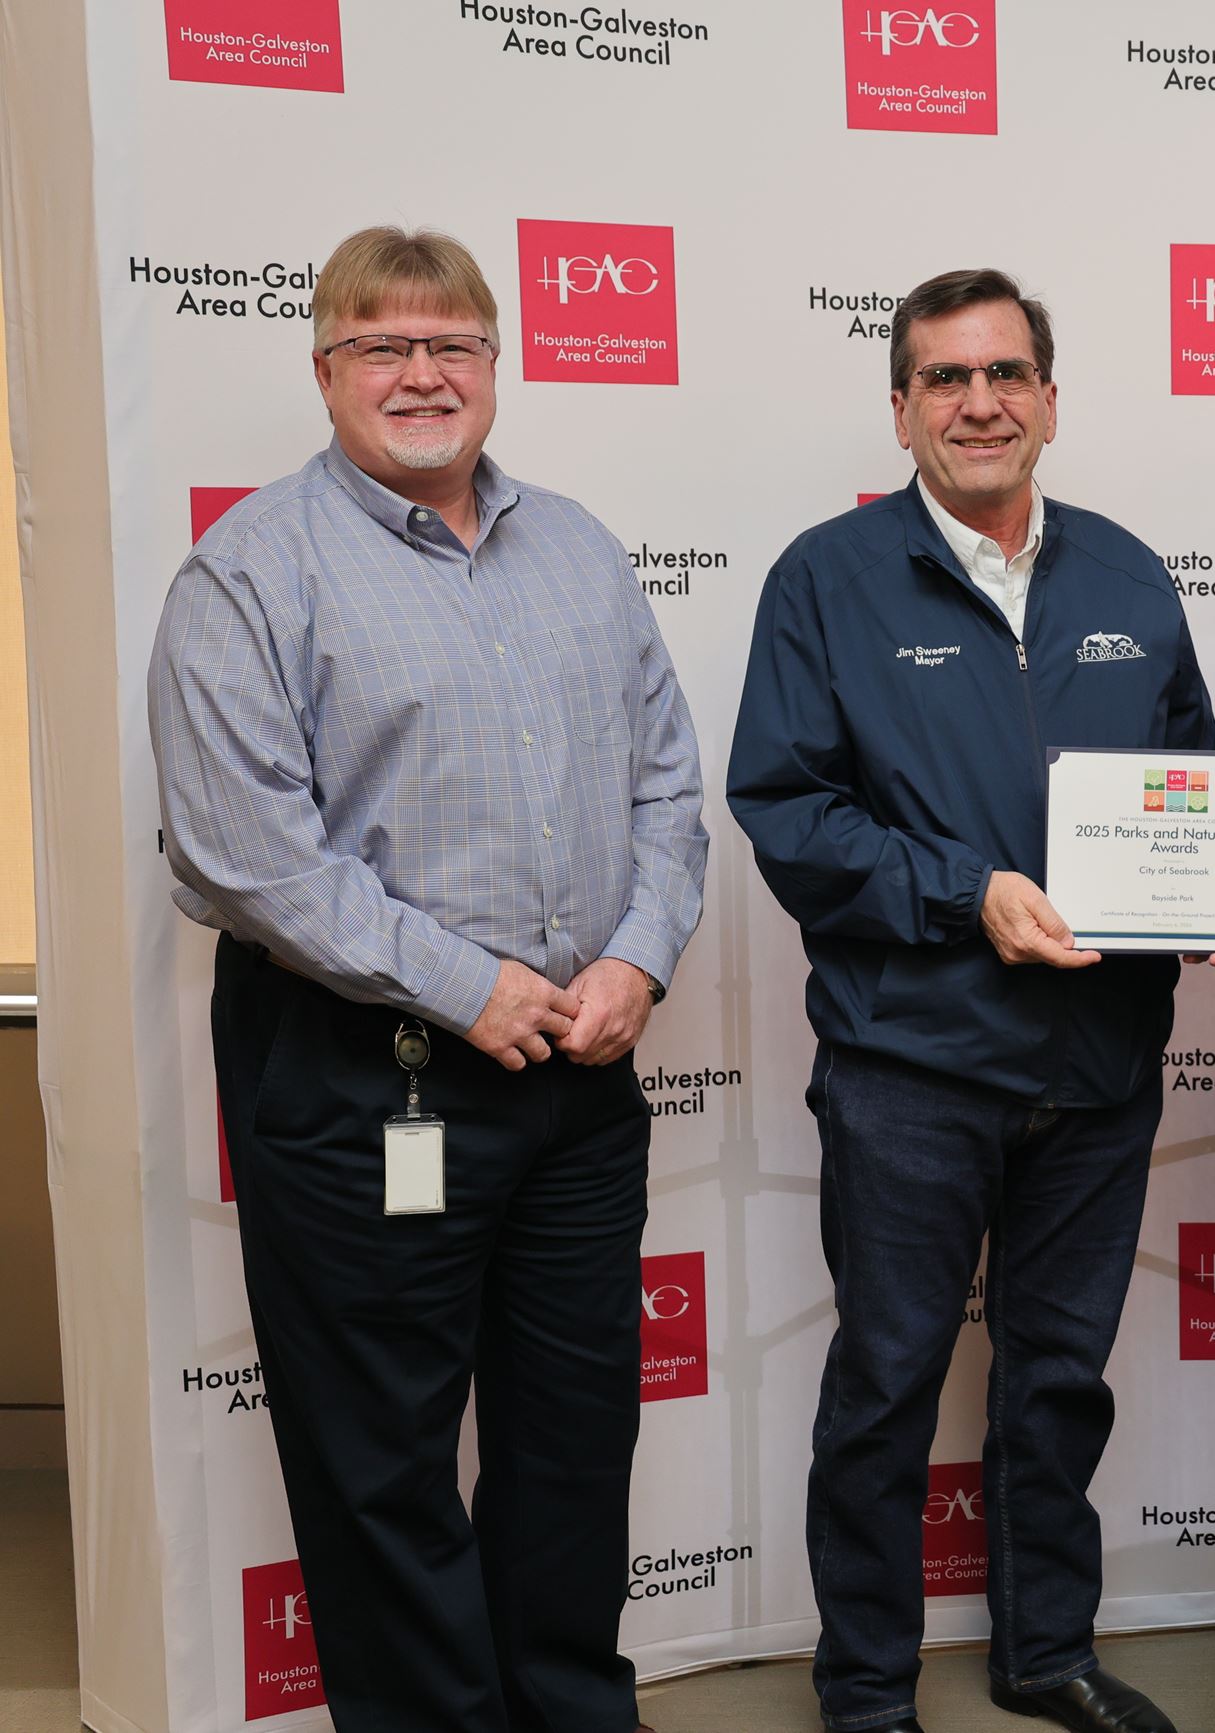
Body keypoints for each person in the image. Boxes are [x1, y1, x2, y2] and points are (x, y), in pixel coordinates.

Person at [146, 226, 707, 1733]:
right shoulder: (249, 572)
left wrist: (641, 953)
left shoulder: (580, 547)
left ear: (497, 361)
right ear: (323, 369)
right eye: (380, 345)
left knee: (573, 1445)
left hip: (582, 1083)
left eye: (451, 341)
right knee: (382, 1470)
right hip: (359, 1084)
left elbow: (668, 788)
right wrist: (471, 984)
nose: (420, 373)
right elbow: (242, 855)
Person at [729, 269, 1215, 1733]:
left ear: (1052, 399)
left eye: (1007, 372)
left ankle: (1044, 1648)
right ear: (901, 410)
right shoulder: (826, 578)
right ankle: (868, 1688)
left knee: (1060, 1377)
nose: (981, 401)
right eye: (946, 379)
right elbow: (788, 811)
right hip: (912, 1065)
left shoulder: (1130, 576)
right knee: (887, 1382)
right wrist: (968, 891)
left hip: (1101, 1067)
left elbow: (1191, 777)